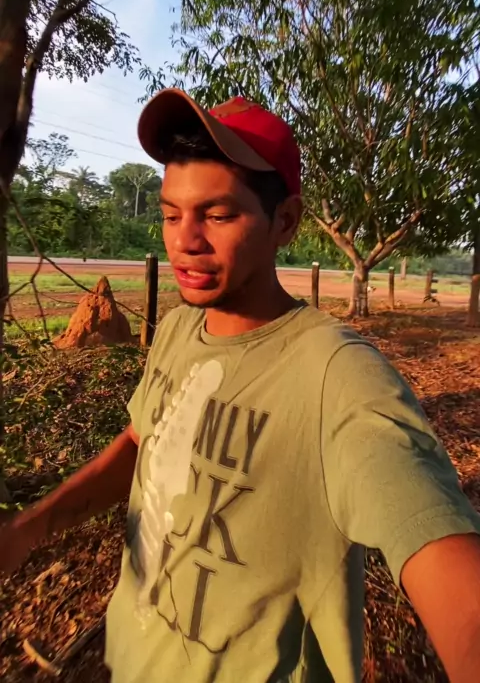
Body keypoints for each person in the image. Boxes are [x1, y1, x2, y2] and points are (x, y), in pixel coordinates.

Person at [1, 89, 480, 683]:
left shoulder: (338, 377)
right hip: (128, 660)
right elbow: (143, 444)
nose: (185, 240)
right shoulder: (178, 330)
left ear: (285, 221)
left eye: (218, 215)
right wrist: (30, 528)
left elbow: (447, 565)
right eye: (171, 214)